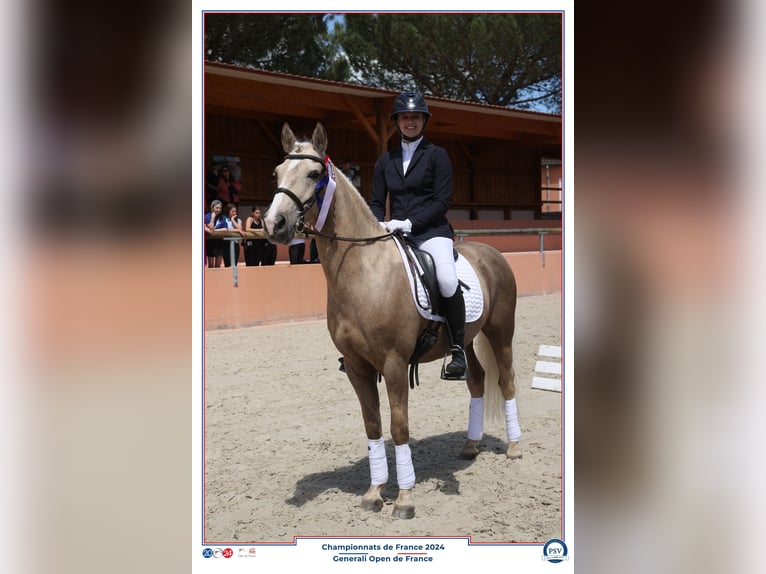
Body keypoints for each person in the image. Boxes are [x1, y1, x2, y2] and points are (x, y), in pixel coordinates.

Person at [370, 91, 467, 380]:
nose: (410, 121)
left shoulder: (437, 155)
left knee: (447, 279)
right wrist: (378, 226)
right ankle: (364, 344)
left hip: (431, 232)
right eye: (404, 117)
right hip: (397, 235)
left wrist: (410, 223)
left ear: (423, 120)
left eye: (415, 117)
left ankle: (457, 349)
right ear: (397, 122)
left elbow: (441, 202)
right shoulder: (385, 161)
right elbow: (376, 202)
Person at [204, 199, 227, 268]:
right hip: (210, 241)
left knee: (218, 265)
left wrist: (215, 231)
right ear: (212, 208)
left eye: (220, 208)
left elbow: (225, 229)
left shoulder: (223, 217)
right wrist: (213, 217)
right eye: (217, 208)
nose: (218, 210)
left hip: (219, 241)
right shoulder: (207, 216)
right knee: (211, 265)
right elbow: (210, 227)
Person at [222, 203, 244, 267]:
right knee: (228, 263)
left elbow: (240, 228)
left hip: (236, 243)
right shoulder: (224, 219)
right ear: (228, 211)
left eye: (235, 211)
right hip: (227, 243)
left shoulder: (238, 220)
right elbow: (227, 229)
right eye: (232, 211)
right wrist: (238, 231)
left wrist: (232, 220)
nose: (234, 213)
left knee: (234, 264)